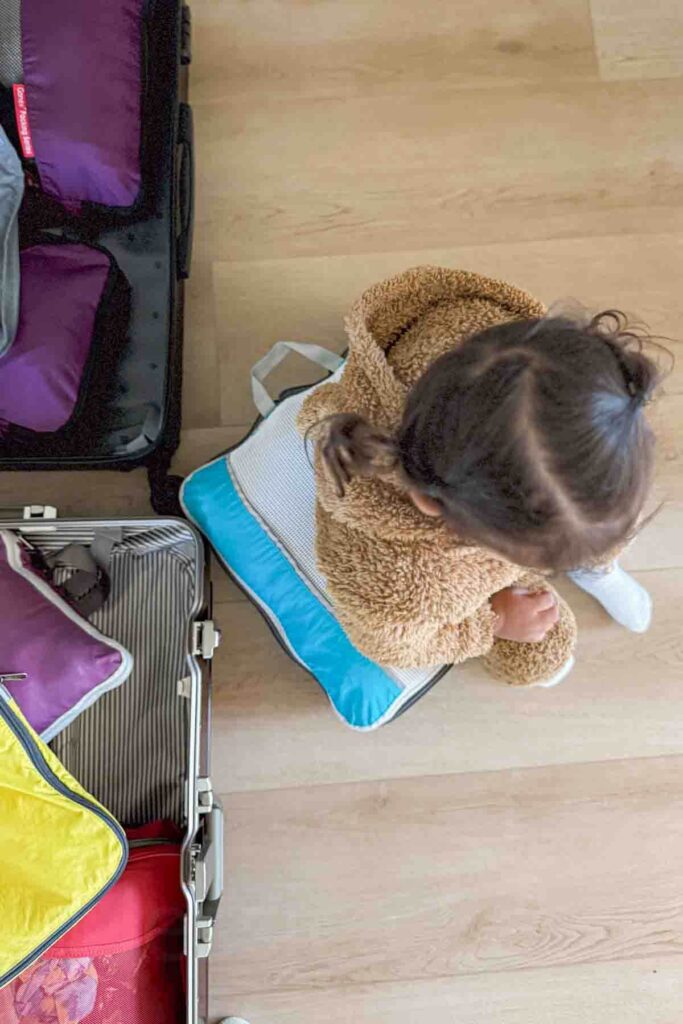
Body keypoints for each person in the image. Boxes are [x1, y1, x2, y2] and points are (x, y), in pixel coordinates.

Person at [298, 266, 664, 687]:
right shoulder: (396, 585)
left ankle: (593, 562)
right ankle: (570, 557)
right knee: (543, 654)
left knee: (598, 509)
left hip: (496, 504)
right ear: (428, 502)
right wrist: (495, 621)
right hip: (461, 574)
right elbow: (395, 645)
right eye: (543, 559)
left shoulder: (501, 351)